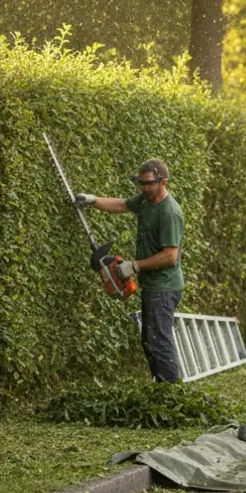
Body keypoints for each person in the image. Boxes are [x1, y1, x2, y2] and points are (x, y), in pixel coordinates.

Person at [74, 158, 184, 382]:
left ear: (163, 182)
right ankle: (160, 386)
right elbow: (122, 205)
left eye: (149, 183)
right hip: (152, 285)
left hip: (164, 287)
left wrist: (134, 266)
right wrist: (94, 200)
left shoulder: (169, 212)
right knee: (150, 341)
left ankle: (170, 392)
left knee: (159, 342)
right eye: (141, 183)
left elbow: (170, 256)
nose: (144, 188)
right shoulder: (145, 201)